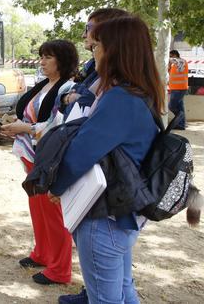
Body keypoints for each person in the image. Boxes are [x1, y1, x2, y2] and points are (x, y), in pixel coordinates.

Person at [50, 16, 162, 303]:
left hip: (104, 219)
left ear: (115, 50)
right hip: (122, 216)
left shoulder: (120, 98)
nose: (93, 51)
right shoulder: (140, 92)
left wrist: (55, 187)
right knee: (124, 289)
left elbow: (83, 151)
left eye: (97, 45)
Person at [1, 40, 78, 285]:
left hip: (49, 158)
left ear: (62, 60)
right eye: (41, 56)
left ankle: (60, 269)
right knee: (38, 207)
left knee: (53, 213)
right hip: (32, 155)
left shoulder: (68, 88)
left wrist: (25, 128)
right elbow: (30, 115)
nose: (42, 62)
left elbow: (59, 125)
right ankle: (43, 253)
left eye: (48, 57)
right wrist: (17, 126)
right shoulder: (44, 84)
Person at [60, 8, 129, 114]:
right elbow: (61, 103)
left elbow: (79, 110)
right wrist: (68, 98)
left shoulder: (121, 88)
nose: (83, 35)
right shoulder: (94, 66)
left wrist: (72, 99)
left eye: (88, 28)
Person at [168, 50, 188, 130]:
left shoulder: (182, 61)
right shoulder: (174, 65)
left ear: (175, 55)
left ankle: (180, 120)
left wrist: (167, 59)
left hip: (179, 88)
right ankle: (181, 124)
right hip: (176, 88)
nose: (170, 58)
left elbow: (173, 61)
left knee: (171, 106)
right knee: (180, 107)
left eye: (171, 56)